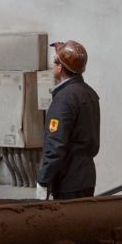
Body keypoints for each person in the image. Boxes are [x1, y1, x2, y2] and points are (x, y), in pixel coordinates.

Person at [37, 40, 100, 199]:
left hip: (68, 181)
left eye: (54, 63)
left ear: (59, 68)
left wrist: (43, 181)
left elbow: (55, 146)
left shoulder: (64, 99)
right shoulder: (89, 94)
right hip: (86, 178)